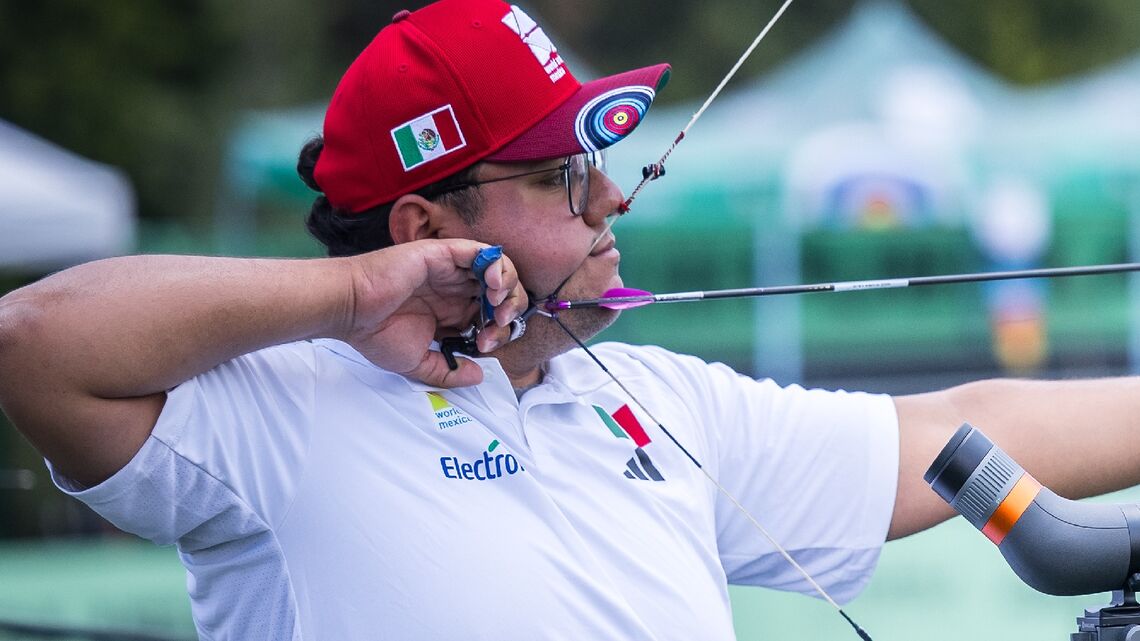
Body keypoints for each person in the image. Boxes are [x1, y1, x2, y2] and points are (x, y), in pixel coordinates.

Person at [1, 0, 1138, 638]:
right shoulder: (277, 404)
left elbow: (953, 438)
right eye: (557, 178)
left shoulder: (647, 396)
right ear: (421, 227)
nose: (610, 200)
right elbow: (36, 341)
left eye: (594, 163)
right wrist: (355, 300)